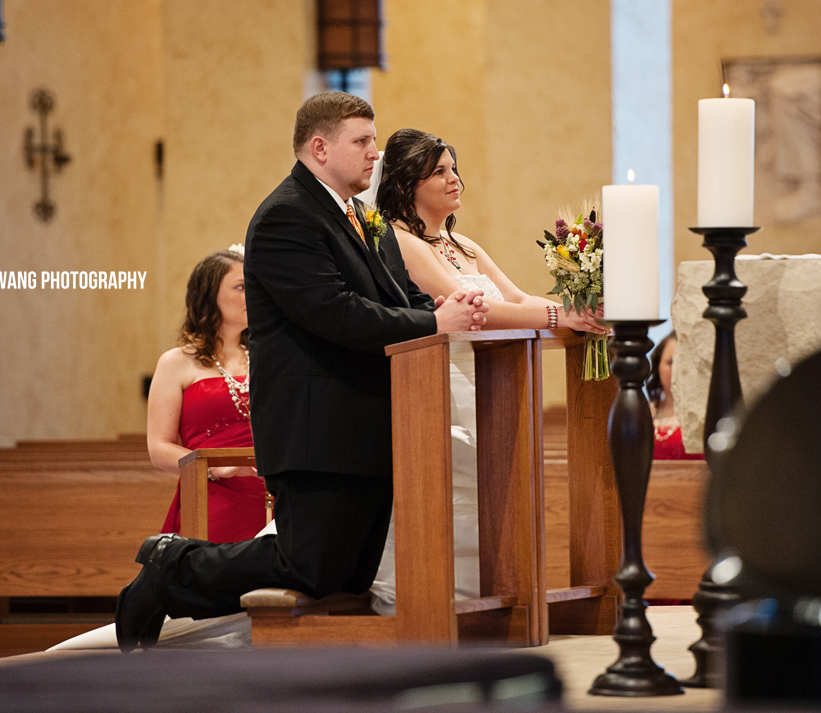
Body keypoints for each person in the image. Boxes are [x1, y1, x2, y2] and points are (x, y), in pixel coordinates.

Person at [114, 93, 488, 652]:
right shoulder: (286, 215)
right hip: (317, 425)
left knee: (347, 577)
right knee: (307, 566)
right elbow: (332, 311)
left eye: (373, 140)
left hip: (368, 419)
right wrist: (434, 321)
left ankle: (177, 569)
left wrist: (442, 309)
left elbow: (398, 295)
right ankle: (172, 568)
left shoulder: (365, 218)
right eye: (361, 141)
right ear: (320, 147)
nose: (373, 152)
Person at [369, 128, 606, 613]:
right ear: (406, 184)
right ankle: (427, 602)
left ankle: (491, 603)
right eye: (439, 172)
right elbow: (475, 308)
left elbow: (517, 299)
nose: (455, 179)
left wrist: (582, 310)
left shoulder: (465, 245)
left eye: (454, 168)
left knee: (493, 490)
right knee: (453, 489)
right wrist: (562, 316)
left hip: (495, 384)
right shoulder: (400, 242)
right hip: (442, 382)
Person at [146, 246, 268, 544]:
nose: (251, 294)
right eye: (240, 287)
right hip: (209, 496)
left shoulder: (268, 357)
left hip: (268, 496)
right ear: (208, 294)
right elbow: (159, 448)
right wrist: (214, 467)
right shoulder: (176, 362)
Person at [646, 330, 702, 460]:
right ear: (658, 365)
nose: (677, 370)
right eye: (671, 362)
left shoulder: (704, 414)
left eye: (684, 363)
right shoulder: (644, 412)